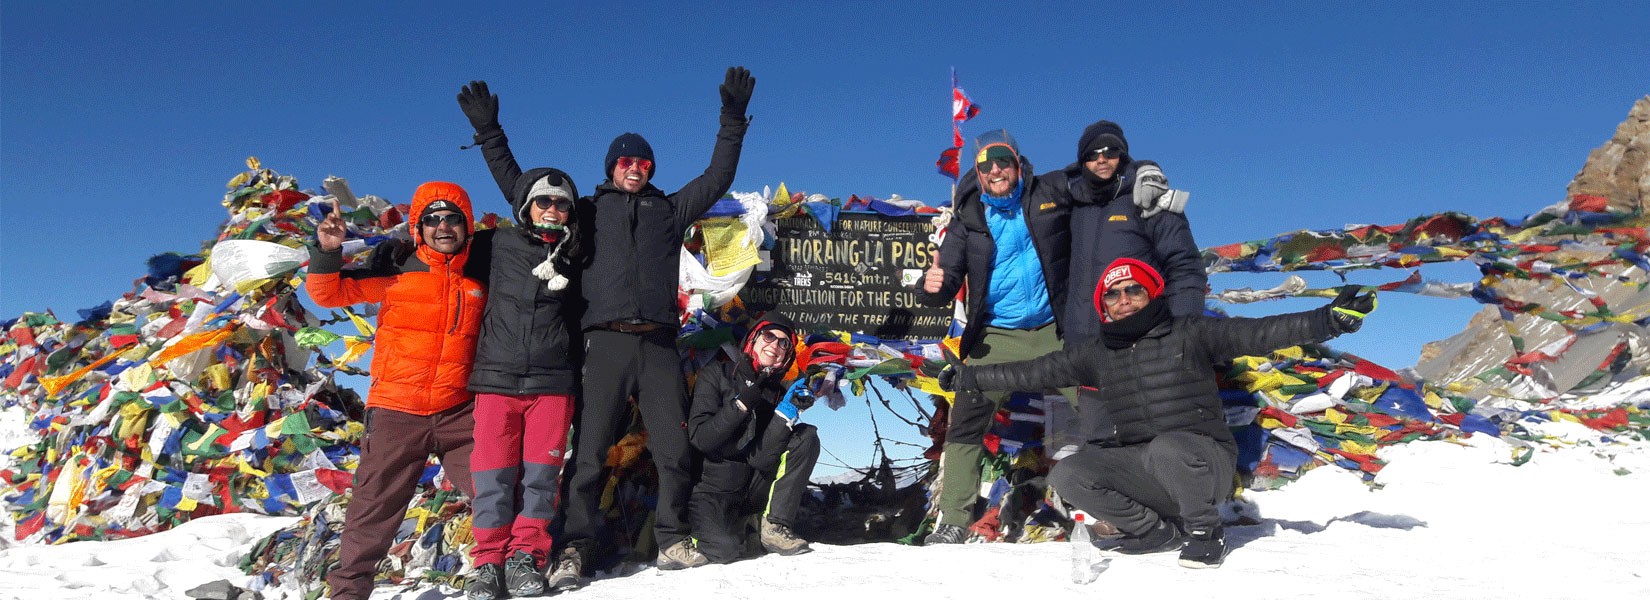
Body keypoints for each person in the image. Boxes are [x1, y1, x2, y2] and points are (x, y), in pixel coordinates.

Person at [466, 67, 752, 585]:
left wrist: (732, 121)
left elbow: (717, 178)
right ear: (611, 167)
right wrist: (491, 135)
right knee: (590, 453)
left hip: (660, 345)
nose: (636, 168)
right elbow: (523, 189)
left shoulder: (670, 210)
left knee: (673, 448)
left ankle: (671, 539)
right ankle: (574, 546)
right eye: (627, 161)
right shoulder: (588, 212)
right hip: (603, 344)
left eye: (644, 162)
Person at [942, 258, 1375, 568]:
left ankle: (1206, 533)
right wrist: (968, 379)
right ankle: (1153, 531)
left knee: (1168, 446)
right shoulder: (1096, 353)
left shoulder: (1191, 332)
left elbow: (1261, 332)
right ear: (1103, 306)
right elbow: (1033, 369)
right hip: (1147, 468)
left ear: (1151, 293)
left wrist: (1329, 320)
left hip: (1205, 466)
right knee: (1068, 472)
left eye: (1133, 289)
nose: (1124, 299)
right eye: (1113, 293)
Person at [305, 182, 486, 600]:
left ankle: (504, 569)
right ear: (419, 228)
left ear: (466, 225)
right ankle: (348, 592)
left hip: (459, 411)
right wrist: (328, 251)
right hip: (396, 410)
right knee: (374, 509)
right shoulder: (395, 271)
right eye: (433, 220)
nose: (444, 227)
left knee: (495, 490)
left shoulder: (479, 278)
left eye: (452, 219)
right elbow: (328, 293)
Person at [453, 79, 589, 600]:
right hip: (496, 379)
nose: (551, 209)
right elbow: (513, 181)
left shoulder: (578, 255)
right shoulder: (498, 245)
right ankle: (487, 562)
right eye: (542, 202)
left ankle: (528, 556)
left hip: (553, 383)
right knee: (491, 475)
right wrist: (489, 131)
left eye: (560, 203)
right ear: (526, 208)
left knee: (540, 477)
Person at [915, 129, 1074, 545]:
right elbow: (947, 279)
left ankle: (1128, 501)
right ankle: (952, 518)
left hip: (1055, 331)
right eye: (986, 164)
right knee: (967, 417)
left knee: (1100, 402)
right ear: (978, 174)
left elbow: (1097, 172)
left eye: (1004, 160)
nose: (996, 169)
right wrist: (931, 287)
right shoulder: (968, 221)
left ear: (1018, 164)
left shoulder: (1048, 195)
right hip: (996, 336)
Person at [686, 314, 821, 563]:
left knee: (806, 436)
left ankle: (774, 527)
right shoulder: (717, 373)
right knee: (724, 551)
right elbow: (700, 438)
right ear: (752, 339)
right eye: (769, 336)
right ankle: (704, 531)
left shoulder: (778, 391)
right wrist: (739, 407)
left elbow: (760, 457)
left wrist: (785, 414)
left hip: (751, 487)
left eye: (784, 343)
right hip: (713, 490)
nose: (775, 346)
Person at [1059, 120, 1205, 340]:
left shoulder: (1148, 197)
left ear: (1123, 155)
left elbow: (1184, 266)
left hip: (1142, 338)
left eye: (1110, 151)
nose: (1101, 159)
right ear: (1082, 161)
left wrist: (1179, 331)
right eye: (1092, 154)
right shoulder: (1071, 206)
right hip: (1081, 345)